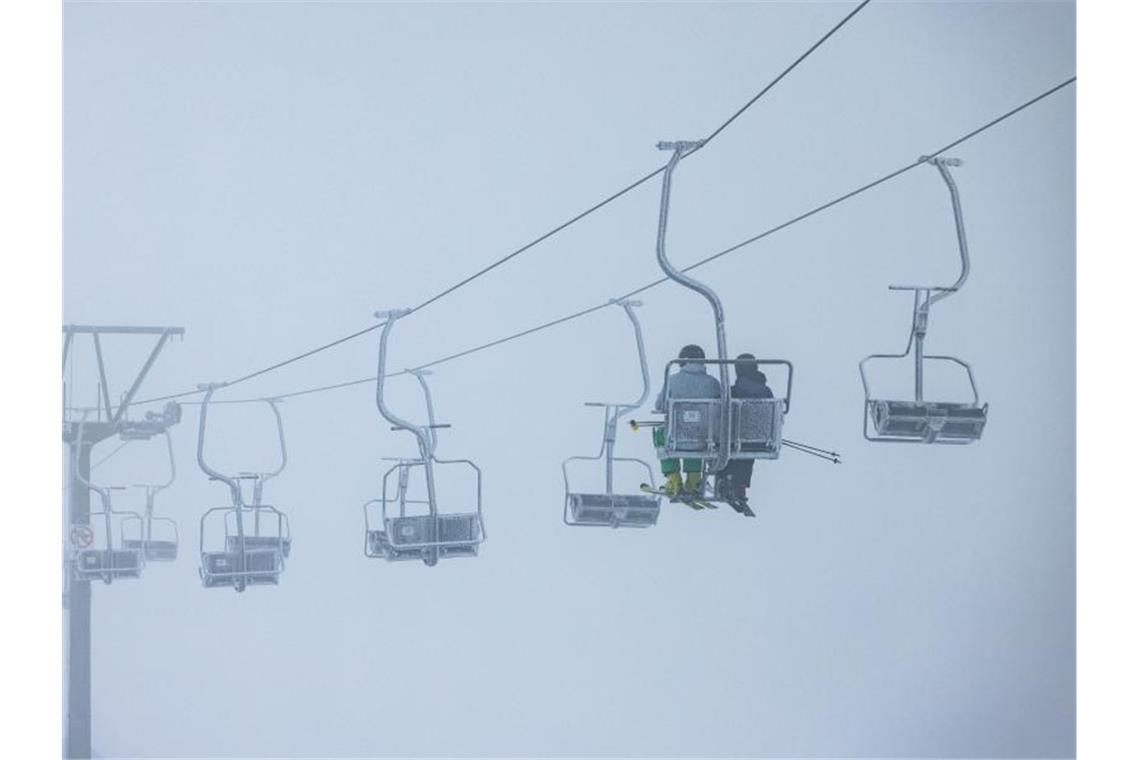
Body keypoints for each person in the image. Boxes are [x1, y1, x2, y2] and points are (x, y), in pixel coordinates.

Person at [653, 344, 722, 496]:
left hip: (677, 439)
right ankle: (694, 480)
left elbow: (659, 406)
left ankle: (673, 479)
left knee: (660, 433)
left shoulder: (672, 381)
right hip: (706, 440)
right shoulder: (713, 383)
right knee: (698, 431)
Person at [717, 353, 773, 515]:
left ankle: (725, 478)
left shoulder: (732, 391)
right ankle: (740, 486)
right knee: (747, 453)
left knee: (728, 447)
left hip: (732, 440)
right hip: (758, 439)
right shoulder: (766, 391)